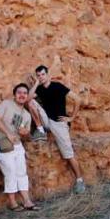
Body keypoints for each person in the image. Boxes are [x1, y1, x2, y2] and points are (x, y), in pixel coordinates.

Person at [29, 65, 85, 194]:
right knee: (31, 102)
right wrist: (36, 83)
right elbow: (28, 98)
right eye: (38, 75)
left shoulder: (58, 86)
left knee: (68, 154)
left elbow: (77, 99)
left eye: (43, 74)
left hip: (59, 123)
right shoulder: (40, 89)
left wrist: (71, 118)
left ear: (48, 74)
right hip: (47, 120)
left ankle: (80, 180)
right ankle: (40, 129)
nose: (41, 77)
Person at [0, 83, 40, 211]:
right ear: (14, 94)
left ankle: (27, 201)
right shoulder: (6, 104)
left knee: (22, 173)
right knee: (10, 172)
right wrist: (8, 133)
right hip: (3, 144)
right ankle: (12, 203)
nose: (22, 95)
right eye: (19, 92)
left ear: (27, 96)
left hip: (18, 146)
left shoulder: (27, 115)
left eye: (25, 93)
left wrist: (25, 133)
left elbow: (27, 134)